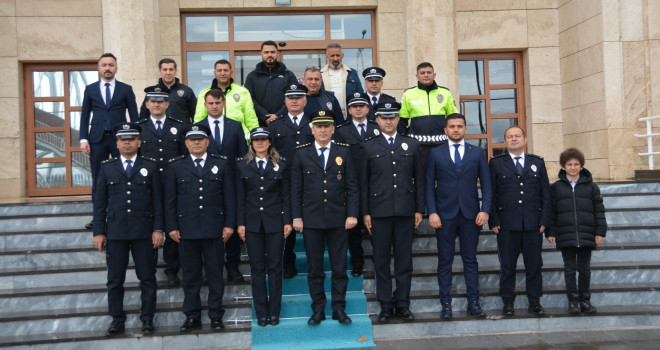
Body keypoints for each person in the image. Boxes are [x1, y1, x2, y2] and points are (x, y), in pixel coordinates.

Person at [92, 122, 163, 336]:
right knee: (115, 280)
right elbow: (99, 203)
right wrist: (98, 231)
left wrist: (158, 229)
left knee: (148, 278)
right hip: (116, 233)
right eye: (123, 140)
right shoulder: (107, 167)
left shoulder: (150, 166)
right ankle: (117, 319)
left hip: (144, 232)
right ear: (117, 144)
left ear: (138, 142)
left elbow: (158, 201)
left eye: (131, 139)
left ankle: (147, 319)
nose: (127, 143)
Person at [164, 124, 235, 332]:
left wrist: (229, 224)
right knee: (190, 275)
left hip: (215, 229)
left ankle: (215, 315)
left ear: (207, 142)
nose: (196, 142)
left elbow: (229, 197)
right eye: (192, 139)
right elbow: (170, 200)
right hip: (186, 230)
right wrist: (171, 227)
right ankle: (192, 316)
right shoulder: (176, 166)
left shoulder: (221, 164)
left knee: (215, 275)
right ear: (186, 143)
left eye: (200, 139)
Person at [290, 110, 358, 325]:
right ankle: (318, 309)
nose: (322, 130)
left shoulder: (344, 152)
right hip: (311, 220)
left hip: (339, 219)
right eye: (318, 126)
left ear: (332, 129)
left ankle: (339, 308)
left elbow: (353, 187)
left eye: (326, 126)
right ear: (312, 129)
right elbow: (296, 190)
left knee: (339, 268)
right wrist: (297, 217)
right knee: (315, 268)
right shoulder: (301, 153)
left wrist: (352, 214)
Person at [359, 102, 424, 322]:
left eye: (392, 117)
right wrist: (365, 212)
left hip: (406, 211)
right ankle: (386, 305)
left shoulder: (412, 145)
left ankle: (403, 304)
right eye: (384, 117)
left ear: (398, 119)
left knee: (404, 261)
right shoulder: (368, 147)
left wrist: (419, 209)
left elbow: (420, 181)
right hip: (379, 212)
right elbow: (364, 183)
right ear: (376, 120)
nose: (388, 121)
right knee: (381, 261)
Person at [425, 113, 492, 319]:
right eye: (452, 126)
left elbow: (487, 184)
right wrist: (432, 212)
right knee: (445, 261)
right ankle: (446, 304)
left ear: (465, 129)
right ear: (445, 130)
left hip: (471, 215)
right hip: (444, 216)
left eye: (460, 126)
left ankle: (474, 302)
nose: (456, 129)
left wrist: (485, 209)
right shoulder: (435, 153)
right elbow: (428, 184)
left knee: (470, 260)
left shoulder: (477, 153)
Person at [489, 126, 552, 316]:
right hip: (506, 224)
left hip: (533, 224)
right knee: (507, 266)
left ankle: (535, 301)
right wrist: (493, 219)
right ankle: (508, 302)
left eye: (517, 136)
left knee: (534, 266)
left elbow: (546, 195)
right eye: (510, 136)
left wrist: (544, 220)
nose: (514, 139)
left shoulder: (537, 163)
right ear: (505, 141)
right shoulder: (496, 163)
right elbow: (490, 193)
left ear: (525, 139)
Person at [236, 127, 292, 327]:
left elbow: (286, 195)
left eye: (263, 139)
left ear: (270, 142)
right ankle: (261, 312)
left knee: (276, 268)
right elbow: (240, 198)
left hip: (275, 222)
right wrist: (240, 223)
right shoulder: (242, 165)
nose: (259, 143)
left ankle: (274, 312)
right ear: (251, 143)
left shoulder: (281, 165)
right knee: (257, 268)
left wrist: (287, 221)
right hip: (252, 224)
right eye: (256, 140)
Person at [195, 88, 248, 283]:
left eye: (218, 103)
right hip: (206, 184)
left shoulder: (235, 126)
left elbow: (243, 155)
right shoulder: (198, 128)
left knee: (231, 224)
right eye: (211, 103)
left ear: (224, 104)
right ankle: (211, 270)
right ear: (205, 105)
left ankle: (232, 267)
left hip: (232, 183)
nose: (215, 106)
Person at [80, 53, 139, 230]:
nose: (107, 68)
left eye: (111, 65)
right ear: (99, 68)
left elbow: (134, 115)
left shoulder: (126, 89)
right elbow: (84, 116)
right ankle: (98, 218)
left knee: (125, 175)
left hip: (120, 139)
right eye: (104, 65)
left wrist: (136, 139)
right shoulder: (90, 89)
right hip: (97, 139)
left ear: (116, 68)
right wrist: (83, 138)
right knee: (98, 178)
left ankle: (125, 213)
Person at [546, 148, 607, 315]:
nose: (573, 167)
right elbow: (552, 212)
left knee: (585, 268)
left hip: (587, 233)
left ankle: (585, 300)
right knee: (570, 268)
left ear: (581, 166)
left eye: (576, 164)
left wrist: (600, 232)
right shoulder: (556, 188)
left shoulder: (591, 187)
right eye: (569, 164)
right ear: (563, 166)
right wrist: (550, 231)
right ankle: (573, 301)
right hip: (566, 234)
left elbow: (599, 211)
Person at [136, 85, 187, 285]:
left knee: (173, 223)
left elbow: (184, 156)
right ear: (147, 104)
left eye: (160, 101)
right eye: (153, 101)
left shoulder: (179, 126)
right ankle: (148, 268)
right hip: (147, 185)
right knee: (149, 225)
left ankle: (172, 268)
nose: (157, 104)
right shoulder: (138, 127)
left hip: (172, 184)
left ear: (167, 104)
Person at [268, 83, 315, 278]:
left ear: (305, 101)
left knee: (312, 226)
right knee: (286, 226)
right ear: (285, 101)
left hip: (311, 181)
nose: (294, 100)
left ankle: (314, 264)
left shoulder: (315, 123)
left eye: (298, 97)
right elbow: (270, 155)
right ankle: (288, 264)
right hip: (285, 182)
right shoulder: (275, 125)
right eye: (290, 97)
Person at [333, 92, 381, 276]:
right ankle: (357, 262)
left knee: (376, 227)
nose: (358, 109)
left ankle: (379, 259)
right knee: (352, 229)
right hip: (351, 186)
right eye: (354, 106)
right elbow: (338, 160)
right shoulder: (341, 131)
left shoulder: (378, 128)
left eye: (362, 105)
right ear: (350, 110)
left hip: (375, 185)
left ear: (368, 109)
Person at [400, 62, 458, 165]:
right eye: (422, 73)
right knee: (420, 177)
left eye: (429, 72)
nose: (426, 75)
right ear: (417, 76)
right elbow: (402, 120)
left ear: (434, 75)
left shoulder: (445, 93)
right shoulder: (408, 94)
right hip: (418, 145)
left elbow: (453, 118)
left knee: (442, 175)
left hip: (441, 144)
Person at [193, 59, 259, 138]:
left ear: (231, 72)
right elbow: (199, 120)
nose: (223, 73)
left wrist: (256, 137)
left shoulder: (243, 92)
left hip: (239, 138)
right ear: (215, 73)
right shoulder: (204, 94)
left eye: (226, 70)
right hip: (214, 138)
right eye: (219, 70)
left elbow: (251, 119)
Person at [244, 40, 298, 126]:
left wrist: (278, 115)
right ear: (261, 54)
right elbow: (249, 99)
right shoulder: (252, 76)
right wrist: (265, 116)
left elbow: (293, 97)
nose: (269, 54)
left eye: (272, 52)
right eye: (266, 52)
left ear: (277, 53)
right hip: (260, 124)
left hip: (285, 123)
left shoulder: (288, 75)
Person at [139, 58, 197, 124]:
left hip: (181, 132)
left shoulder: (187, 91)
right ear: (160, 71)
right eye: (165, 70)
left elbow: (195, 114)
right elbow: (143, 115)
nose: (168, 73)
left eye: (171, 69)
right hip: (159, 132)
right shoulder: (153, 92)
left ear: (176, 71)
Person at [320, 43, 364, 119]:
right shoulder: (320, 75)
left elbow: (360, 94)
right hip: (328, 117)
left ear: (342, 56)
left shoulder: (352, 73)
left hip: (349, 118)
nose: (335, 58)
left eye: (338, 55)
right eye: (332, 56)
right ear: (327, 56)